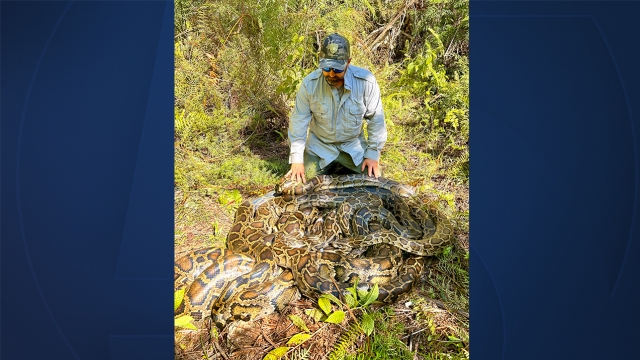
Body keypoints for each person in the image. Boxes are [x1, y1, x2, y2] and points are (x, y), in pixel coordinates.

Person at [285, 33, 387, 183]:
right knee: (300, 184)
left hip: (353, 147)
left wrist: (372, 155)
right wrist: (297, 159)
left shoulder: (366, 82)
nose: (331, 73)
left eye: (338, 69)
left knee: (375, 182)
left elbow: (376, 120)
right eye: (326, 67)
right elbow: (299, 122)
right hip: (320, 147)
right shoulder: (309, 84)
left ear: (348, 62)